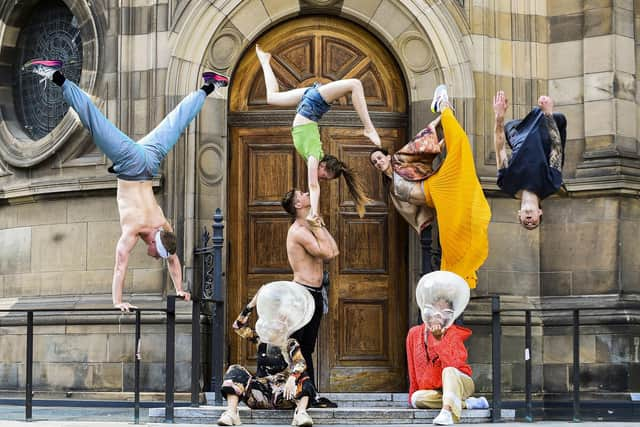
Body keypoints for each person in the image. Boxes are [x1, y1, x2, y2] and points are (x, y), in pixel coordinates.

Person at [22, 59, 229, 311]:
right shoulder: (134, 228)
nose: (154, 257)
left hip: (149, 163)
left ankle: (208, 88)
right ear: (154, 242)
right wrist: (117, 301)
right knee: (93, 120)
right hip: (131, 164)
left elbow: (173, 260)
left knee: (177, 122)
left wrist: (179, 288)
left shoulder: (164, 225)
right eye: (156, 253)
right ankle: (56, 75)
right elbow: (121, 264)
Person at [369, 85, 491, 288]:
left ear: (387, 156)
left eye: (380, 158)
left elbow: (420, 143)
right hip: (437, 201)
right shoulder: (392, 190)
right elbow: (412, 212)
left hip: (437, 186)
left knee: (459, 149)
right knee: (454, 235)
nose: (378, 162)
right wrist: (424, 223)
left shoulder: (399, 160)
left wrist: (437, 123)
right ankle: (463, 278)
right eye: (375, 162)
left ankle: (443, 106)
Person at [257, 45, 375, 226]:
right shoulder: (314, 156)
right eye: (324, 176)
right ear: (324, 165)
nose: (320, 178)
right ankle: (368, 128)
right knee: (355, 84)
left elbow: (314, 185)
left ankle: (265, 61)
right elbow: (313, 187)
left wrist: (315, 213)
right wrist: (314, 214)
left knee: (272, 97)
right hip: (312, 105)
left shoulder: (313, 156)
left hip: (307, 102)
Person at [218, 282, 316, 427]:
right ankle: (231, 414)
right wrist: (252, 304)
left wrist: (292, 378)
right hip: (260, 395)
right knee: (235, 370)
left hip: (284, 395)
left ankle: (300, 414)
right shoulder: (260, 338)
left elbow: (300, 363)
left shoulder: (290, 343)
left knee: (304, 376)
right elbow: (237, 327)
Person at [281, 189, 339, 407]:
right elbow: (328, 253)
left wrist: (318, 226)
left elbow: (335, 250)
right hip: (301, 295)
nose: (307, 193)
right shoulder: (298, 231)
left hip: (314, 294)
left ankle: (309, 394)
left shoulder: (309, 227)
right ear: (298, 204)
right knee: (297, 348)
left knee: (307, 348)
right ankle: (297, 393)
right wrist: (318, 227)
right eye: (302, 194)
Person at [406, 271, 489, 426]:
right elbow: (412, 369)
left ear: (449, 316)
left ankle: (447, 412)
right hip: (435, 389)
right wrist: (413, 397)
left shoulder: (453, 333)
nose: (438, 314)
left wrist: (438, 341)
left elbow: (454, 366)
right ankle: (468, 404)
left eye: (444, 311)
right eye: (435, 308)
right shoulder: (414, 333)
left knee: (448, 371)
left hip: (460, 381)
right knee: (417, 398)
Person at [493, 91, 567, 230]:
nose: (529, 221)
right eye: (534, 222)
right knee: (558, 118)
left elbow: (500, 149)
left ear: (519, 214)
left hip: (516, 134)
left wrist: (499, 117)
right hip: (544, 132)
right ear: (539, 212)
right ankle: (544, 114)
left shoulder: (506, 184)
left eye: (525, 223)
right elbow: (556, 148)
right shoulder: (551, 185)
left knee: (509, 126)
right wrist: (548, 114)